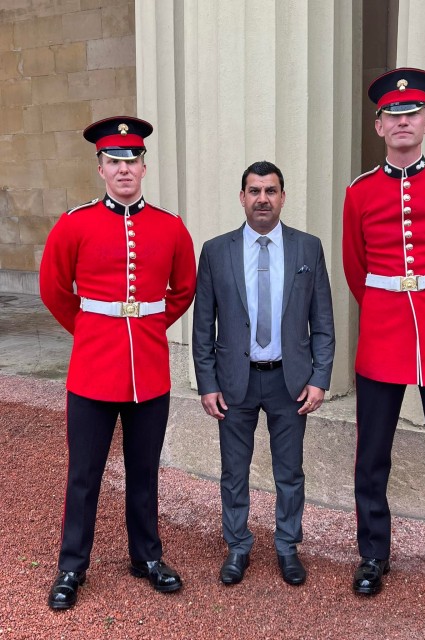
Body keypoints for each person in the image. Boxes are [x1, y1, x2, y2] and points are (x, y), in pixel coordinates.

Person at [40, 116, 196, 610]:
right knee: (83, 474)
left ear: (144, 167)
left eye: (132, 161)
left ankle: (146, 556)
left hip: (148, 371)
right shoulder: (75, 224)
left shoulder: (170, 227)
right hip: (93, 370)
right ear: (101, 168)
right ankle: (72, 565)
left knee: (144, 471)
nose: (123, 170)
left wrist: (148, 324)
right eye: (114, 161)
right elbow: (53, 289)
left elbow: (183, 289)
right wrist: (89, 330)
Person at [342, 68, 425, 600]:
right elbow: (356, 268)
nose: (403, 122)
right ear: (379, 126)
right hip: (383, 335)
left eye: (412, 114)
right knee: (373, 453)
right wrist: (388, 307)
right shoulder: (359, 192)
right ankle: (373, 553)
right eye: (392, 115)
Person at [192, 161, 335, 586]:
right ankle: (238, 546)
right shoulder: (216, 251)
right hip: (234, 381)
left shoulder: (308, 248)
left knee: (289, 471)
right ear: (242, 197)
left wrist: (320, 377)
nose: (262, 199)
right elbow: (203, 325)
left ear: (283, 197)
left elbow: (323, 321)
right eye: (254, 191)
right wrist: (207, 383)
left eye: (270, 191)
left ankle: (288, 546)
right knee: (234, 471)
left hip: (290, 382)